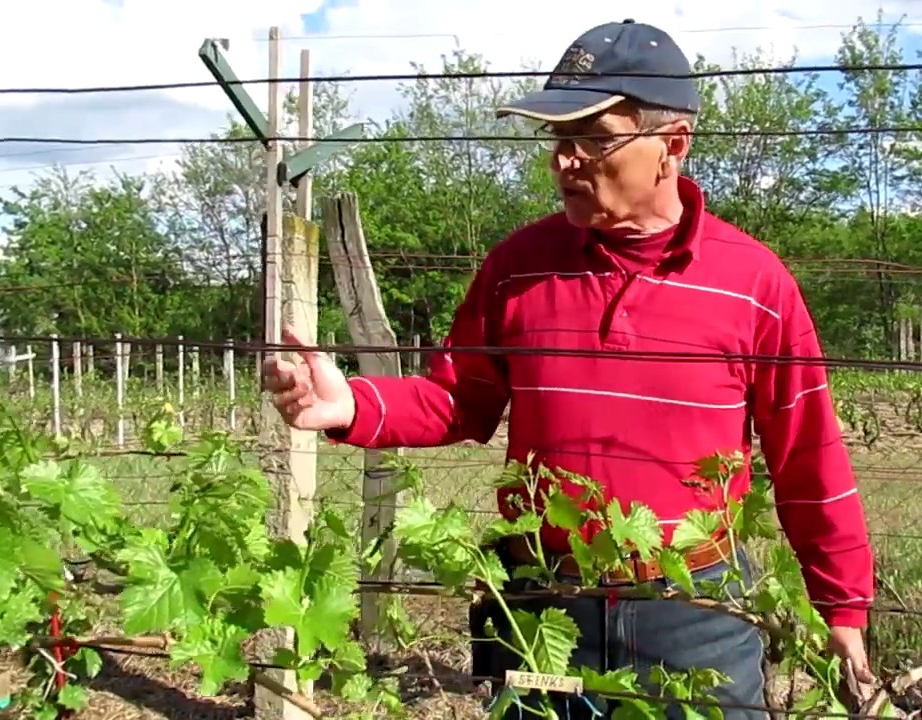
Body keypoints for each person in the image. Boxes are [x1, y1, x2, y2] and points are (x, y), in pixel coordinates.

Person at [261, 18, 876, 719]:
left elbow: (809, 459)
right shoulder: (517, 270)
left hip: (696, 614)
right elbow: (458, 398)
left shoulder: (754, 285)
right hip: (544, 610)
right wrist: (350, 405)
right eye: (558, 139)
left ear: (672, 145)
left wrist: (843, 610)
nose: (565, 161)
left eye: (594, 138)